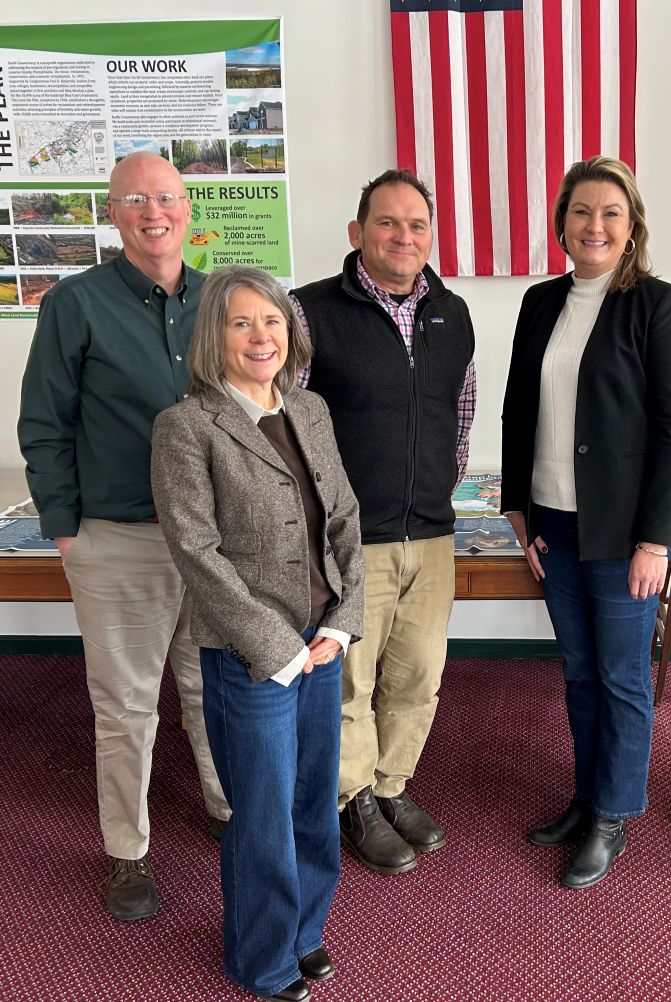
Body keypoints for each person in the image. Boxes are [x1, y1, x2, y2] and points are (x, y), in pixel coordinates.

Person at [17, 151, 229, 921]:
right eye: (136, 200)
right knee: (128, 706)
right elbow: (44, 423)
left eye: (166, 197)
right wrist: (66, 530)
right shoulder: (76, 303)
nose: (154, 212)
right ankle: (127, 852)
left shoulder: (223, 299)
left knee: (214, 690)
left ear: (187, 207)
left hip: (212, 543)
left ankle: (225, 807)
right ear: (115, 212)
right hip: (118, 538)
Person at [151, 266, 364, 1002]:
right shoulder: (186, 426)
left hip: (323, 641)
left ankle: (304, 933)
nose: (260, 336)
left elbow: (344, 520)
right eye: (241, 323)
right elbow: (194, 550)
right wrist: (274, 649)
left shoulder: (309, 410)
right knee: (265, 815)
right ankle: (260, 958)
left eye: (271, 321)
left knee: (314, 801)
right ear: (214, 336)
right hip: (251, 655)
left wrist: (342, 622)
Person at [501, 155, 671, 889]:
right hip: (552, 518)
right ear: (562, 225)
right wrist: (516, 505)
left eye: (611, 213)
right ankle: (585, 798)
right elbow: (520, 406)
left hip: (624, 535)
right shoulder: (540, 302)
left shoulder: (661, 306)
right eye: (582, 211)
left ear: (632, 226)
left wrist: (657, 538)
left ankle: (613, 815)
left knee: (621, 678)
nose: (595, 225)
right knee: (580, 674)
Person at [289, 169, 475, 876]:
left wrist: (433, 488)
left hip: (429, 532)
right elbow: (283, 428)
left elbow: (459, 415)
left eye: (417, 225)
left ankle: (393, 785)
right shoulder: (306, 313)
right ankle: (353, 797)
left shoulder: (450, 313)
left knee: (418, 676)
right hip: (347, 539)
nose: (404, 236)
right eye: (388, 223)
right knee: (349, 683)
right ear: (357, 232)